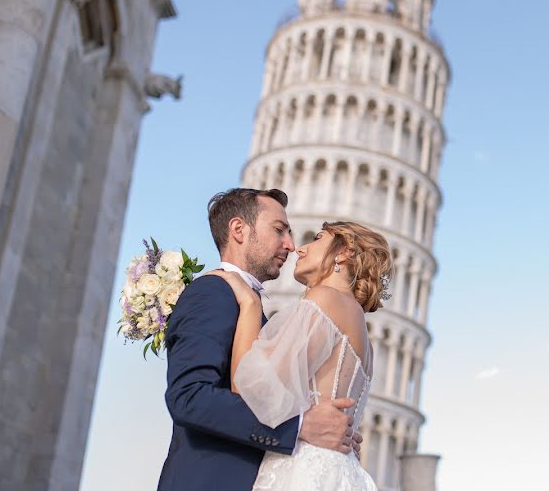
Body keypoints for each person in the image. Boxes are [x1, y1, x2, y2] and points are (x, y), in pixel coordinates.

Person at [157, 188, 360, 491]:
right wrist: (301, 426)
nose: (291, 246)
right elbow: (190, 397)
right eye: (279, 230)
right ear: (239, 230)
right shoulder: (212, 292)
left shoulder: (257, 312)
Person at [213, 220, 390, 490]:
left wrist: (249, 304)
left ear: (344, 253)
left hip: (303, 470)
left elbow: (249, 388)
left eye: (317, 238)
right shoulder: (362, 333)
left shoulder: (325, 299)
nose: (300, 249)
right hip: (342, 472)